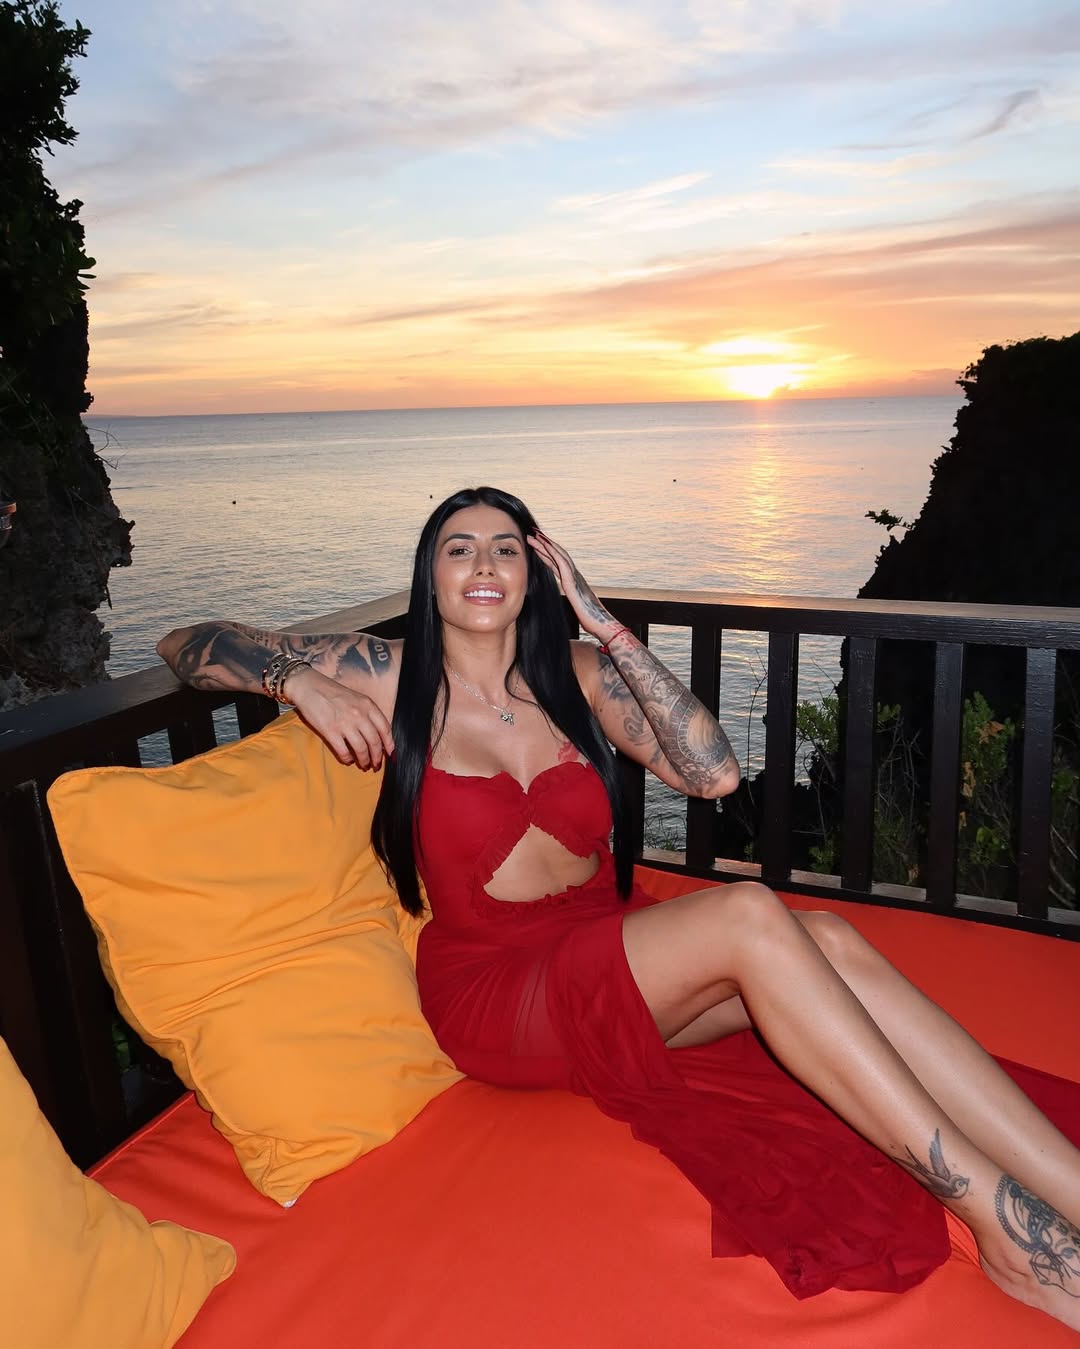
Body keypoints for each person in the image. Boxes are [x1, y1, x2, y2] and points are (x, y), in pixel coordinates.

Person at [158, 485, 1080, 1329]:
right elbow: (186, 644)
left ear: (537, 572)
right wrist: (297, 680)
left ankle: (1067, 1188)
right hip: (498, 995)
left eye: (507, 548)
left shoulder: (579, 673)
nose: (484, 564)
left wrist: (606, 625)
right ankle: (1002, 1227)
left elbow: (712, 774)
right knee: (750, 914)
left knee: (831, 938)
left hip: (610, 957)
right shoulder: (387, 671)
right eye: (458, 548)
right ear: (429, 575)